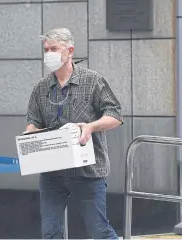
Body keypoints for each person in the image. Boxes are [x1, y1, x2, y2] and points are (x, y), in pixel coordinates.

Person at [24, 28, 123, 239]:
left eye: (54, 49)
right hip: (52, 172)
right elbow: (33, 120)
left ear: (70, 51)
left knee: (99, 230)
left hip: (87, 171)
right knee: (50, 232)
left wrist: (91, 127)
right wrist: (30, 133)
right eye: (46, 49)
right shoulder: (41, 88)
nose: (48, 54)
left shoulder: (92, 81)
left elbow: (115, 115)